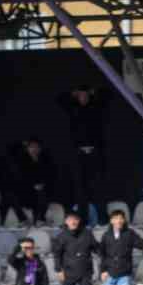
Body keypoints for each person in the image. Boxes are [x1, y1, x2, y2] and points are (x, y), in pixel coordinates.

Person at [58, 86, 111, 223]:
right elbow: (59, 99)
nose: (83, 98)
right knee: (81, 188)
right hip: (79, 154)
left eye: (85, 96)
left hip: (94, 153)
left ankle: (103, 219)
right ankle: (83, 220)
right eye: (80, 96)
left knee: (98, 187)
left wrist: (94, 92)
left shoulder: (96, 107)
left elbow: (107, 95)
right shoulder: (73, 109)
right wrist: (72, 93)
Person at [15, 138, 56, 224]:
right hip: (26, 190)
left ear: (40, 149)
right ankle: (23, 220)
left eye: (36, 147)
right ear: (27, 149)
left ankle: (40, 219)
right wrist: (32, 186)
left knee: (43, 193)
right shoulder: (21, 161)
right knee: (12, 195)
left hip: (41, 190)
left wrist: (42, 184)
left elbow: (50, 176)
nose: (34, 149)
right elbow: (21, 178)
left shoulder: (45, 160)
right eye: (31, 147)